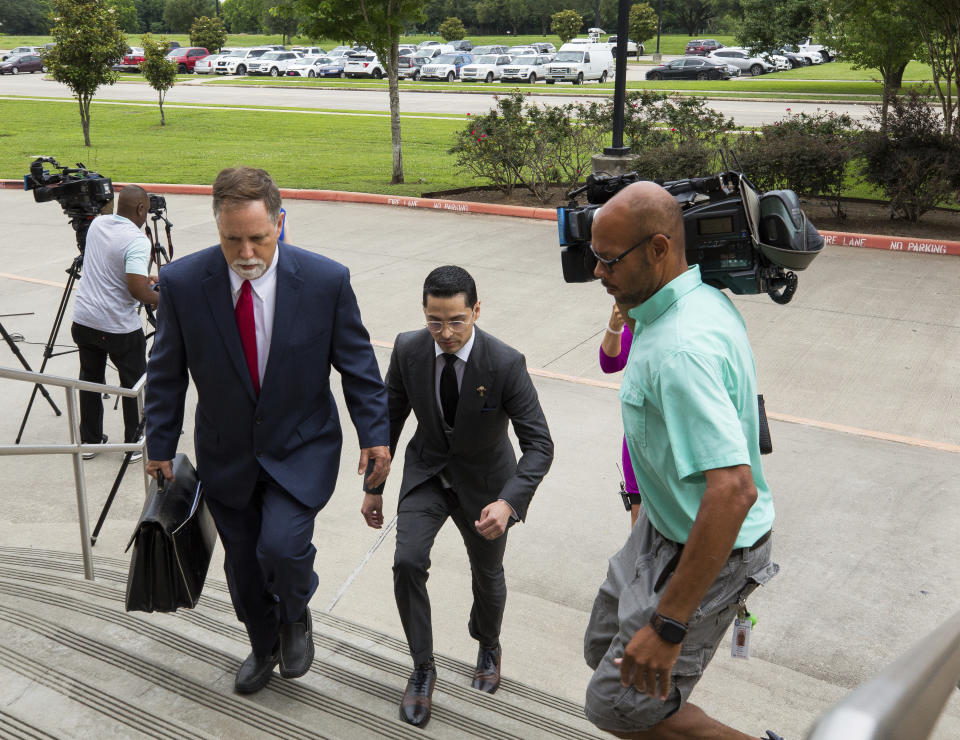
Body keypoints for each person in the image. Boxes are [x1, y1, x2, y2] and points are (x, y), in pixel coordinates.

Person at [144, 167, 391, 695]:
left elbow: (359, 367)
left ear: (280, 222)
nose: (246, 251)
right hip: (226, 453)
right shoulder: (185, 285)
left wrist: (375, 434)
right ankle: (263, 643)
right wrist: (159, 444)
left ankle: (295, 616)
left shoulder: (326, 281)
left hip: (301, 447)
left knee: (281, 547)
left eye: (258, 236)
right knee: (244, 569)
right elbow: (166, 371)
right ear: (217, 229)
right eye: (233, 239)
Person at [582, 181, 782, 740]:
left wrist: (669, 624)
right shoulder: (694, 298)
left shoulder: (680, 351)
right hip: (662, 526)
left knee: (618, 707)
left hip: (711, 542)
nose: (597, 272)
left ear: (660, 249)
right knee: (604, 650)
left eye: (608, 259)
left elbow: (733, 491)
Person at [380, 265, 554, 728]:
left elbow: (540, 444)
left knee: (488, 573)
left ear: (476, 310)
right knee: (407, 561)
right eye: (435, 321)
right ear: (424, 312)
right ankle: (422, 668)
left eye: (457, 320)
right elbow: (388, 423)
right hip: (428, 473)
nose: (446, 333)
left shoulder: (504, 363)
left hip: (486, 483)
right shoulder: (408, 349)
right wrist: (373, 488)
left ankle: (489, 642)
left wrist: (510, 501)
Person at [71, 185, 158, 461]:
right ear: (141, 209)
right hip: (117, 326)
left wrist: (147, 279)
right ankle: (134, 442)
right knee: (134, 382)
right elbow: (136, 290)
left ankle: (89, 441)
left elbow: (113, 266)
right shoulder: (137, 240)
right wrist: (163, 298)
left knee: (91, 378)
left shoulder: (98, 224)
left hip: (84, 320)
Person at [599, 303, 641, 525]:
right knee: (640, 510)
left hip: (680, 434)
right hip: (641, 435)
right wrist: (615, 325)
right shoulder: (640, 316)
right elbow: (610, 362)